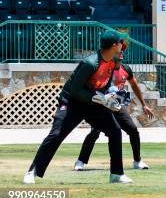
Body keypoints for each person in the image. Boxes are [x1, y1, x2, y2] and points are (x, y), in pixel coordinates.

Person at [23, 30, 133, 184]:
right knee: (56, 135)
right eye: (120, 42)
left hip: (94, 103)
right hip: (72, 102)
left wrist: (111, 98)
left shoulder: (113, 61)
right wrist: (100, 99)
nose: (123, 45)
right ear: (114, 45)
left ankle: (116, 174)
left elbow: (104, 84)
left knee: (115, 131)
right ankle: (32, 171)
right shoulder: (90, 63)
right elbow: (75, 90)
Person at [74, 45, 155, 171]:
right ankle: (80, 161)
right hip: (103, 104)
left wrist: (144, 104)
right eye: (119, 50)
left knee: (133, 130)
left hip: (117, 106)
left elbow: (135, 86)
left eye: (123, 50)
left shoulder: (126, 69)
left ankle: (137, 161)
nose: (121, 52)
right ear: (112, 53)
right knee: (94, 132)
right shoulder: (104, 68)